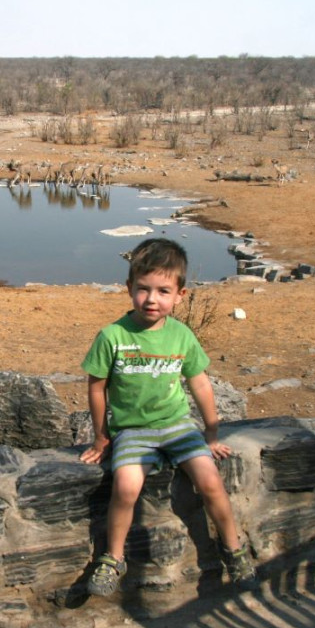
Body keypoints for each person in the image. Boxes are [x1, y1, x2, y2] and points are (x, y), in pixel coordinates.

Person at [79, 237, 256, 596]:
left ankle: (233, 548)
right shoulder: (112, 337)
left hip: (177, 426)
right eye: (143, 289)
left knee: (210, 481)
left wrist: (212, 432)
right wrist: (101, 437)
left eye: (163, 291)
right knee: (126, 486)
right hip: (132, 431)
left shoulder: (182, 335)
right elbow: (96, 388)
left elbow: (201, 384)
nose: (151, 299)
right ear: (129, 289)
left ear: (180, 295)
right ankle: (113, 558)